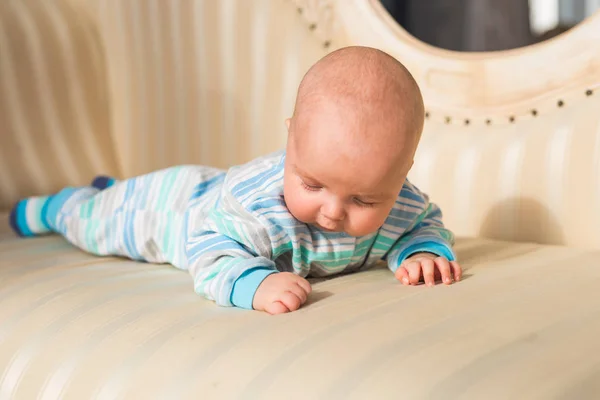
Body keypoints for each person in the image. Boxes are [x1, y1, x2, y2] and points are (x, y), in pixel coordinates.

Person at [9, 46, 462, 315]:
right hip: (175, 208)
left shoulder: (400, 201)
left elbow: (424, 223)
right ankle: (57, 206)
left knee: (109, 202)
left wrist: (421, 251)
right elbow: (206, 249)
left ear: (400, 177)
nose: (332, 211)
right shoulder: (256, 209)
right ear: (291, 140)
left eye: (364, 199)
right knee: (99, 221)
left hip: (211, 191)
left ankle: (100, 192)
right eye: (311, 185)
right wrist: (254, 284)